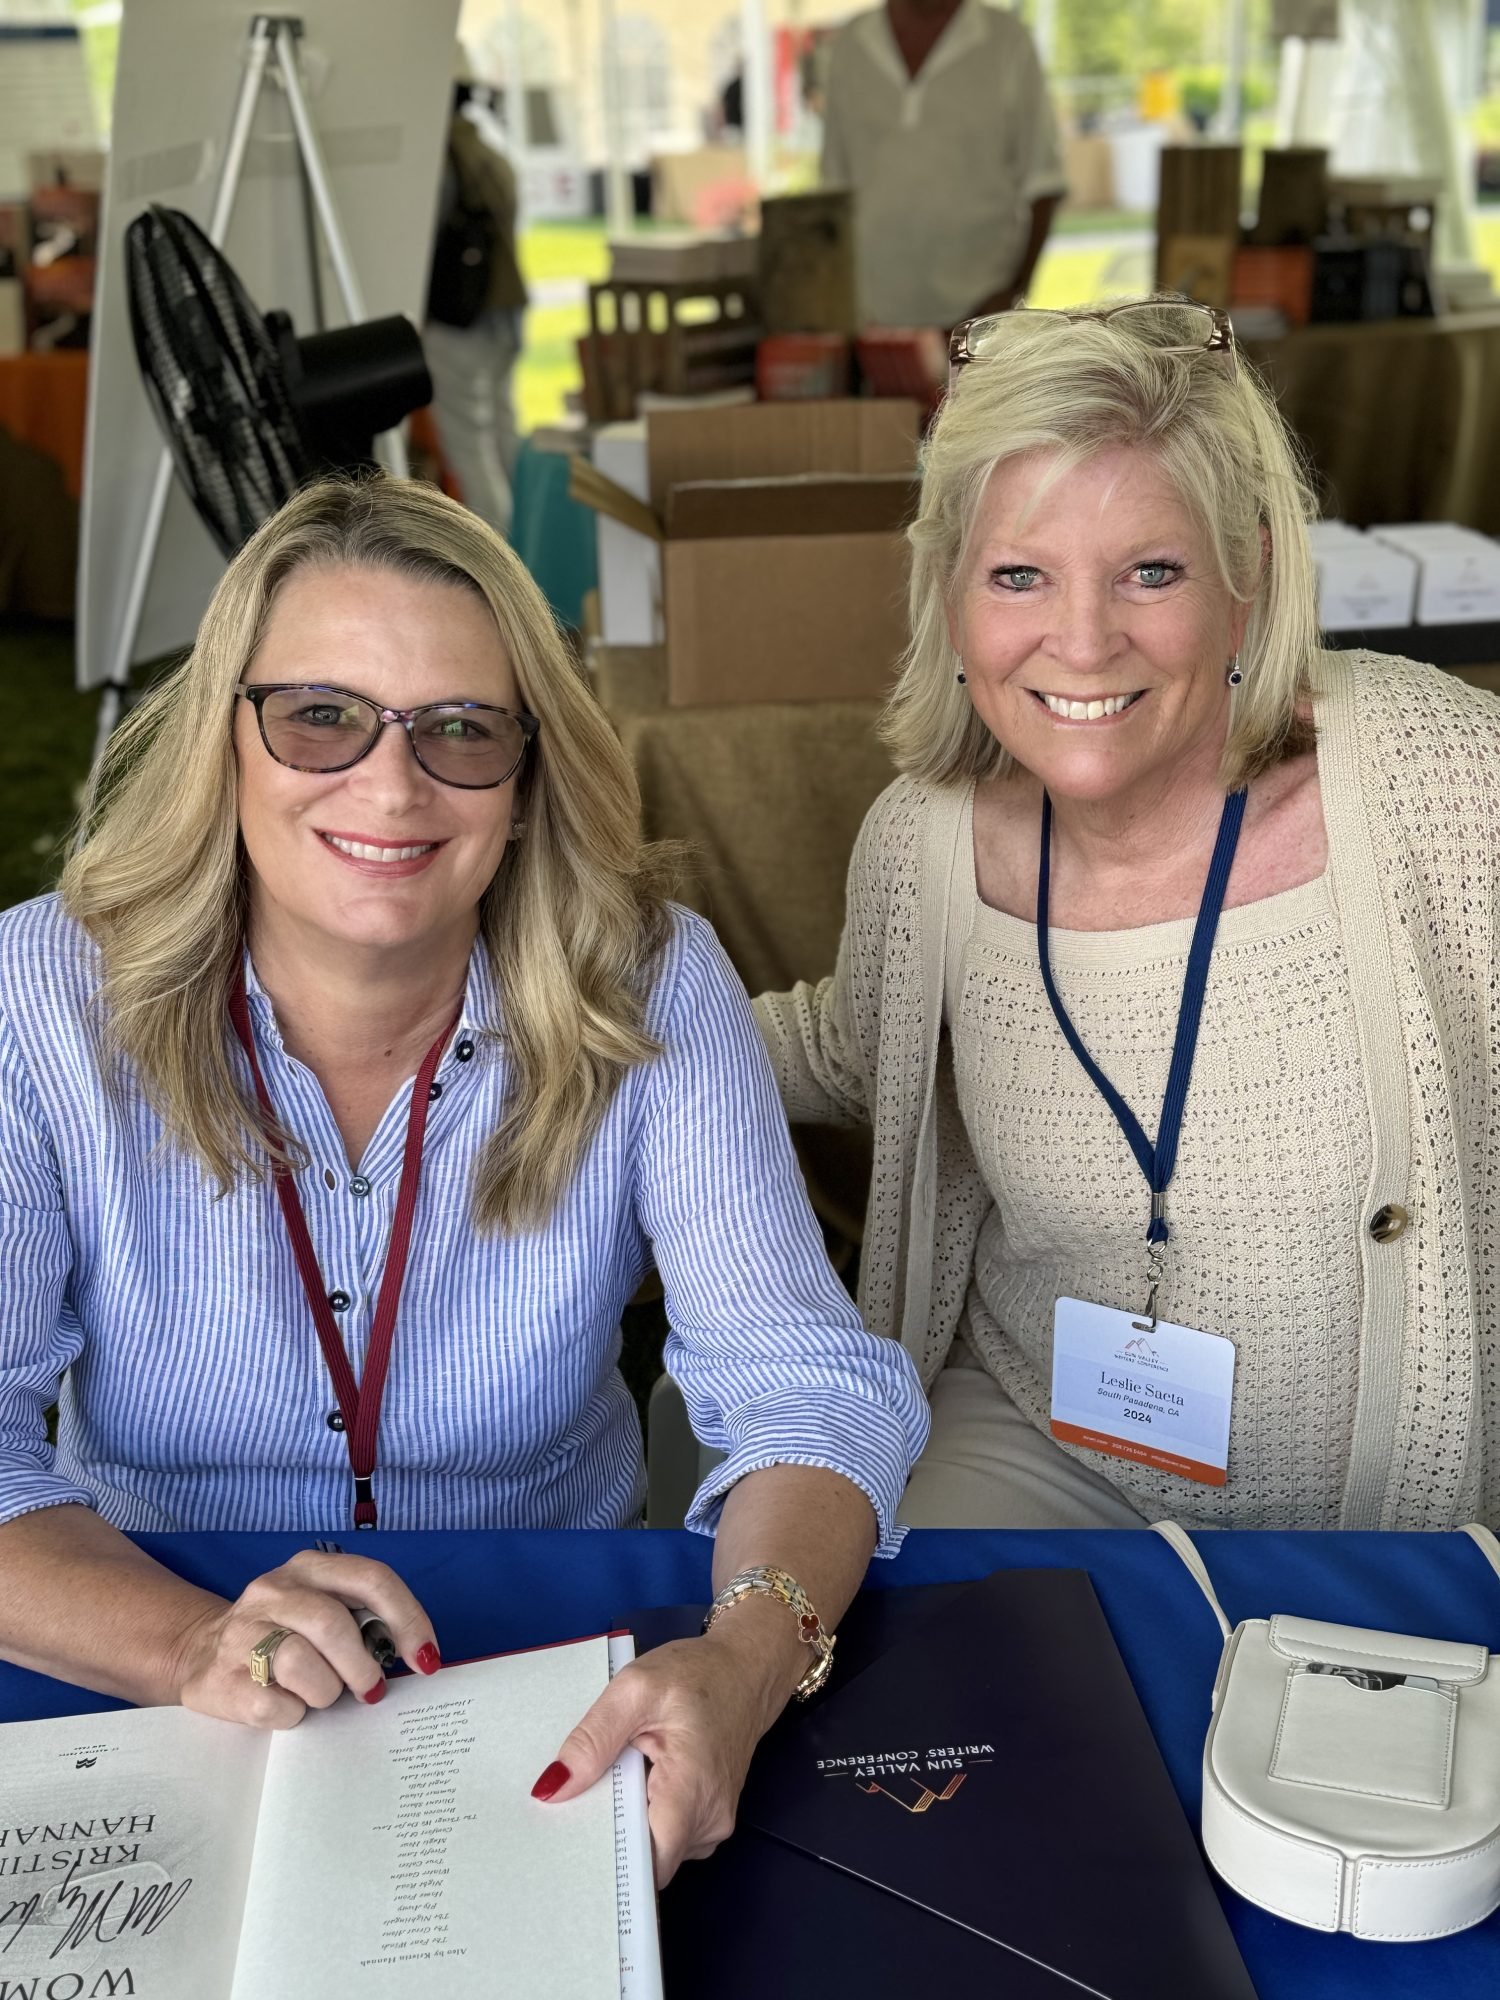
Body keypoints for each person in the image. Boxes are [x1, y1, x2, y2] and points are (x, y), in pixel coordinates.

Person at [0, 475, 928, 1883]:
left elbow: (807, 1381)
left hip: (549, 1653)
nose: (390, 785)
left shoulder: (651, 977)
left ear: (526, 771)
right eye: (320, 716)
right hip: (152, 1639)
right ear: (224, 740)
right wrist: (186, 1638)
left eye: (460, 731)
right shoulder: (35, 996)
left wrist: (745, 1659)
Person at [755, 296, 1500, 1534]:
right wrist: (573, 1019)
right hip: (1045, 1440)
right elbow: (848, 1045)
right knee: (901, 1667)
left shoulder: (1441, 781)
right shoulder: (925, 843)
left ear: (1246, 577)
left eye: (1150, 571)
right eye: (1019, 574)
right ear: (950, 595)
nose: (1084, 641)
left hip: (1393, 1496)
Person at [819, 0, 1067, 330]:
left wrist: (1011, 293)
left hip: (980, 318)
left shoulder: (1006, 41)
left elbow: (1044, 183)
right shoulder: (852, 44)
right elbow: (833, 191)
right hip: (874, 322)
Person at [423, 74, 528, 538]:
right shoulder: (490, 155)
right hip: (505, 309)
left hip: (460, 317)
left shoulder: (441, 160)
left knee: (470, 445)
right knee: (503, 430)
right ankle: (526, 544)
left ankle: (500, 556)